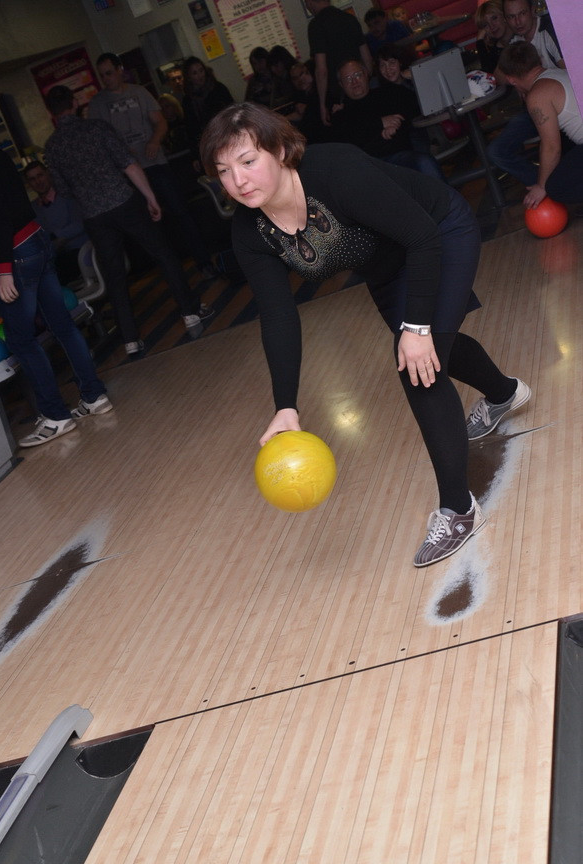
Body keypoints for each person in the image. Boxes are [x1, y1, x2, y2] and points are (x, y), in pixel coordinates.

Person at [199, 104, 531, 567]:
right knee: (433, 351)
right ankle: (505, 393)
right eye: (224, 171)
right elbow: (278, 315)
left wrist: (415, 328)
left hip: (437, 231)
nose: (239, 180)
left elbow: (420, 236)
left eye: (248, 161)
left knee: (420, 364)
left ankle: (459, 510)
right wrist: (286, 406)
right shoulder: (250, 230)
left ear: (278, 150)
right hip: (386, 267)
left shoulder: (335, 170)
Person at [0, 111, 112, 447]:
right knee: (62, 325)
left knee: (22, 340)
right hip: (35, 241)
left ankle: (55, 416)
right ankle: (94, 396)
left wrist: (4, 268)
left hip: (17, 254)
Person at [44, 85, 212, 356]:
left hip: (94, 216)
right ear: (75, 103)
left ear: (50, 112)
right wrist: (150, 197)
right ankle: (190, 312)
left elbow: (63, 191)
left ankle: (130, 339)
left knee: (115, 275)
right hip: (123, 202)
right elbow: (129, 165)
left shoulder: (52, 147)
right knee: (163, 253)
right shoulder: (97, 128)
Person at [88, 52, 215, 279]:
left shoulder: (139, 92)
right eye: (102, 75)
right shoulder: (98, 104)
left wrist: (155, 140)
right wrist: (121, 152)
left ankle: (204, 263)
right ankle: (173, 274)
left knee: (180, 212)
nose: (105, 78)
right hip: (128, 175)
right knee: (150, 226)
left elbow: (160, 121)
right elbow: (97, 140)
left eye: (109, 73)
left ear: (119, 70)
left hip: (155, 165)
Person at [487, 0, 564, 186]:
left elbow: (569, 75)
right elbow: (499, 77)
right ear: (506, 20)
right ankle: (546, 184)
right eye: (512, 17)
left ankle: (554, 184)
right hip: (534, 113)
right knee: (497, 151)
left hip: (564, 107)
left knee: (560, 146)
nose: (518, 21)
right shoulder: (515, 42)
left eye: (522, 14)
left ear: (532, 11)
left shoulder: (549, 30)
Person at [498, 42, 583, 207]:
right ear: (540, 60)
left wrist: (542, 186)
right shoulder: (559, 72)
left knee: (556, 188)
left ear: (510, 79)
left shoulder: (537, 96)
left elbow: (551, 146)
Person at [333, 59, 444, 180]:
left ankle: (446, 199)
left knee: (424, 162)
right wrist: (380, 123)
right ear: (341, 85)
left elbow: (415, 107)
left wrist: (396, 123)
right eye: (348, 79)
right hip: (370, 168)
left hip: (402, 157)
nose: (354, 81)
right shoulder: (341, 114)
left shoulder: (387, 93)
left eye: (357, 75)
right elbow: (349, 139)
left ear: (366, 74)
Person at [305, 0, 374, 127]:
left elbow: (321, 70)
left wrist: (322, 104)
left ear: (309, 3)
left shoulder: (316, 25)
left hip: (339, 92)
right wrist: (366, 80)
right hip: (361, 82)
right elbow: (367, 56)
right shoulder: (349, 18)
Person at [24, 160, 88, 284]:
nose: (38, 182)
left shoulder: (67, 196)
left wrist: (55, 236)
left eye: (40, 175)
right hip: (55, 257)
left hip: (80, 251)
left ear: (48, 174)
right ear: (29, 184)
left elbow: (80, 224)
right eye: (32, 179)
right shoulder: (33, 210)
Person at [182, 57, 234, 168]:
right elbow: (191, 129)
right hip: (208, 143)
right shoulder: (188, 100)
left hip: (226, 136)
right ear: (189, 77)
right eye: (195, 73)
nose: (200, 75)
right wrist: (195, 156)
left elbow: (232, 112)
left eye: (201, 70)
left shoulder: (218, 88)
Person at [474, 0, 513, 74]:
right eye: (485, 24)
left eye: (494, 18)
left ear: (504, 15)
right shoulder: (494, 52)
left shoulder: (522, 36)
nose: (492, 26)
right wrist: (480, 42)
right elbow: (490, 76)